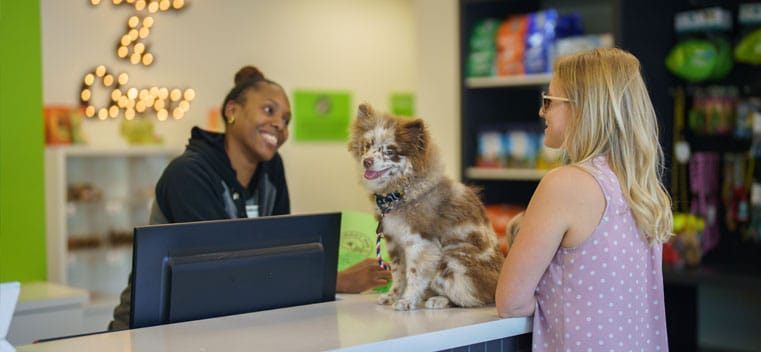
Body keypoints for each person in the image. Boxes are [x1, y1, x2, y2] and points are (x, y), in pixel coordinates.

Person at [108, 65, 390, 330]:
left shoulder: (271, 168)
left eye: (286, 120)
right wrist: (335, 282)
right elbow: (225, 273)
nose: (280, 125)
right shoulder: (188, 174)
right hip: (152, 330)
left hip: (224, 323)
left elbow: (282, 253)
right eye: (269, 111)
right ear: (232, 111)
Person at [494, 48, 673, 351]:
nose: (542, 112)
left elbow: (511, 303)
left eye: (549, 101)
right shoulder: (640, 188)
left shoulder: (566, 184)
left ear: (582, 107)